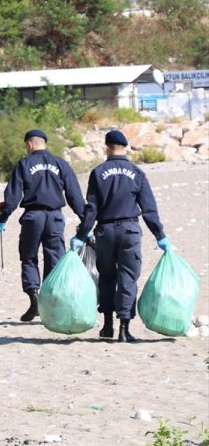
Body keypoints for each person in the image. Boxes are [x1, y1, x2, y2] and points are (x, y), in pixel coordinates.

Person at [71, 130, 169, 343]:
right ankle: (124, 328)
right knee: (128, 278)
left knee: (106, 276)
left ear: (107, 147)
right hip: (130, 231)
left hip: (105, 232)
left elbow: (92, 209)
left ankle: (107, 325)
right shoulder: (137, 172)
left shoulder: (98, 172)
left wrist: (81, 234)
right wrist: (160, 235)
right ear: (125, 147)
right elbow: (149, 209)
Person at [0, 129, 85, 322]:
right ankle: (52, 300)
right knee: (54, 257)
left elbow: (12, 196)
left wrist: (3, 218)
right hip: (55, 218)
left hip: (33, 217)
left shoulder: (24, 164)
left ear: (29, 144)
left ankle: (34, 298)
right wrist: (85, 220)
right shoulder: (61, 164)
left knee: (29, 258)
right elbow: (74, 195)